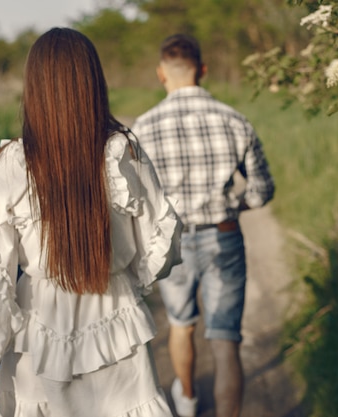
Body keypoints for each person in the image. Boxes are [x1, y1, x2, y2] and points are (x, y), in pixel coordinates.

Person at [0, 27, 183, 417]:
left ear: (34, 88)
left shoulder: (10, 166)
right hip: (116, 325)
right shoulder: (123, 153)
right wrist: (124, 277)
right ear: (93, 83)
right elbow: (161, 243)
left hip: (37, 340)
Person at [131, 34, 275, 417]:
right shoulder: (234, 120)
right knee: (226, 339)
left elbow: (136, 200)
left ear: (161, 74)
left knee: (181, 324)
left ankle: (189, 400)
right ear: (204, 71)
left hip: (173, 243)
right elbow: (262, 191)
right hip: (223, 236)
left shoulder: (143, 128)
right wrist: (231, 205)